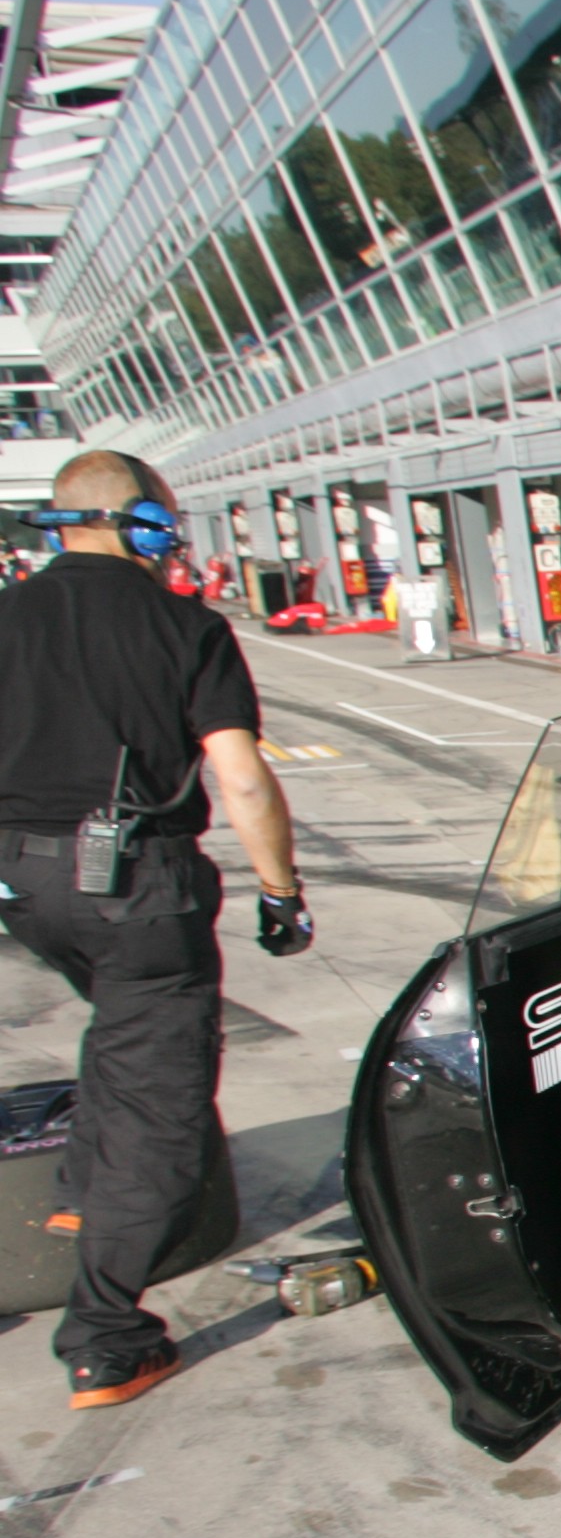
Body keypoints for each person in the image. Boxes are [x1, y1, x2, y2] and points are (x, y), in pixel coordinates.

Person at [0, 450, 310, 1406]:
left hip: (25, 884)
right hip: (137, 886)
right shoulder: (186, 626)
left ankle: (80, 1194)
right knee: (162, 1107)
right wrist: (280, 891)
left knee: (121, 1027)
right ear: (143, 525)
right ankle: (106, 1337)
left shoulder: (7, 614)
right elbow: (243, 778)